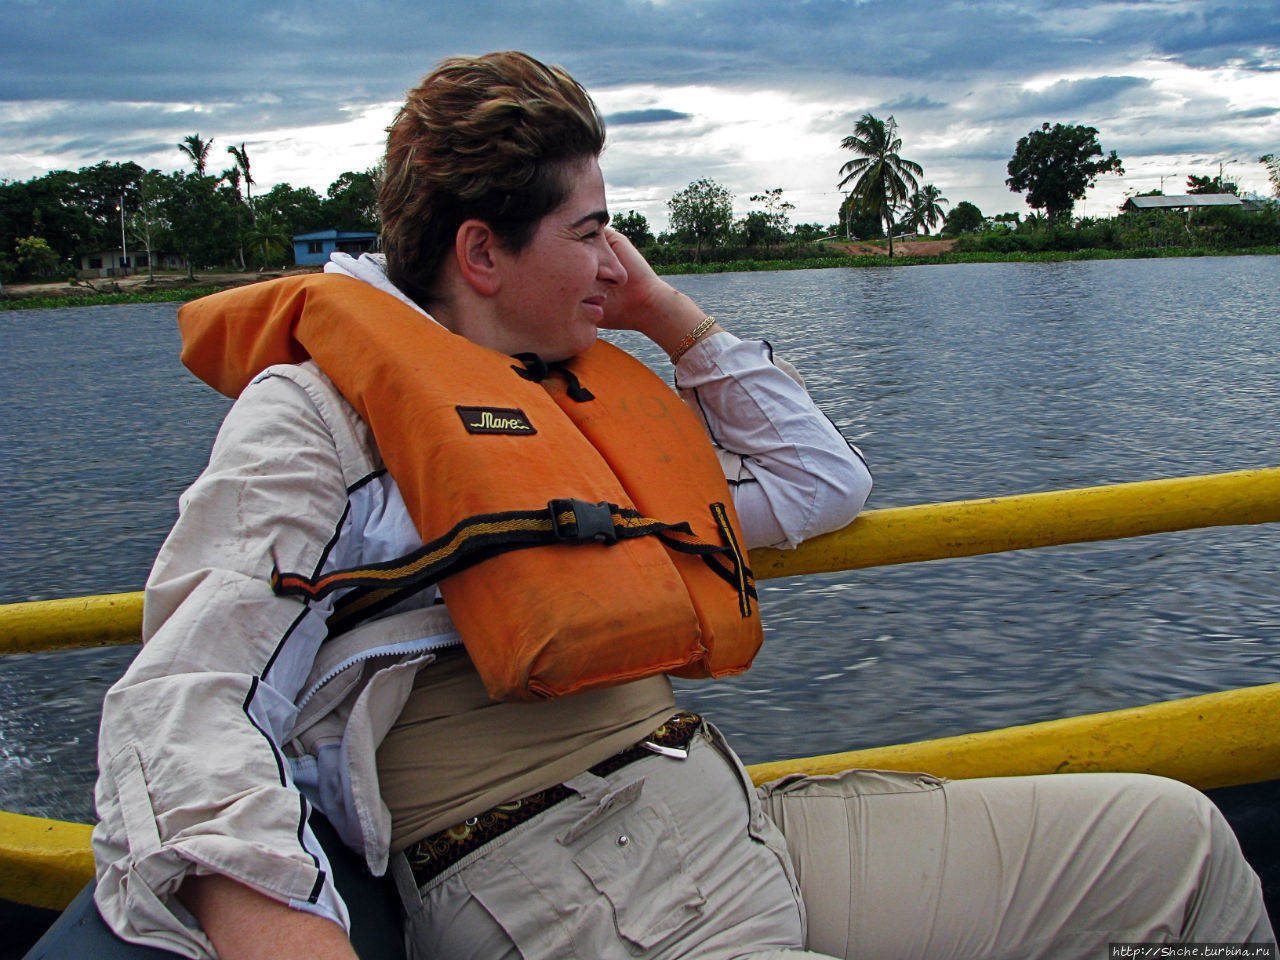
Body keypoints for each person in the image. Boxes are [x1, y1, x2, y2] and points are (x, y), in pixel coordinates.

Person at [92, 51, 1273, 960]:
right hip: (556, 876)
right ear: (482, 254)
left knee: (1170, 846)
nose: (617, 258)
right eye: (592, 230)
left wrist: (663, 313)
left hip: (724, 810)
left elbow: (820, 485)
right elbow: (184, 696)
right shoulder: (321, 418)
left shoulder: (579, 402)